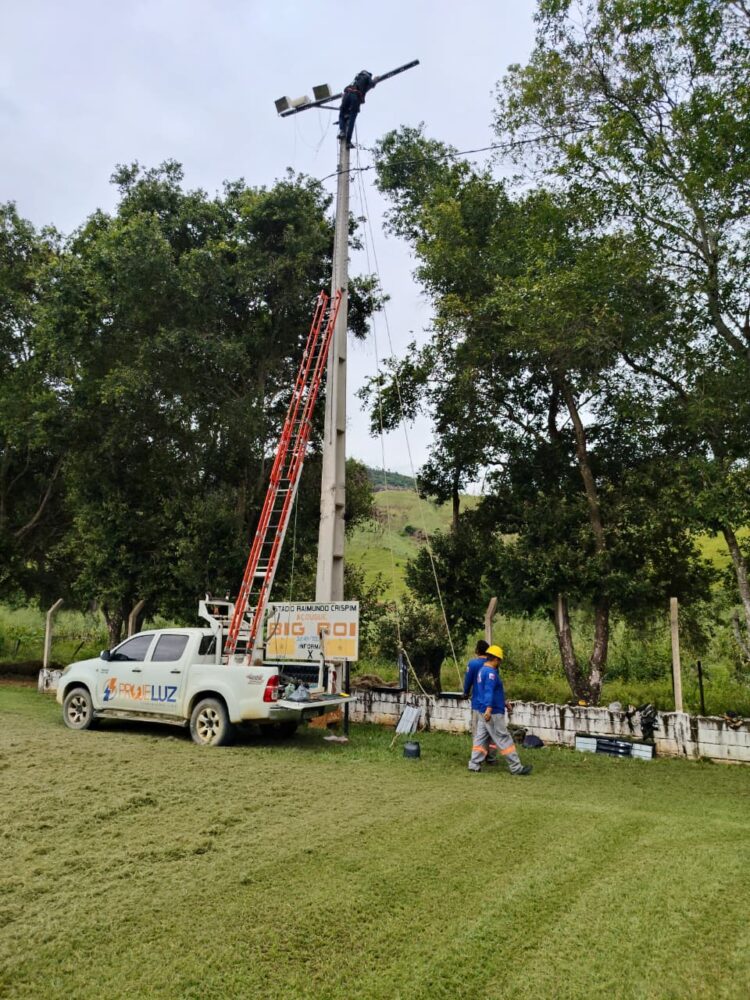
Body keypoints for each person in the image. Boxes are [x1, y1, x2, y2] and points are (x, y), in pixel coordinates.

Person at [468, 645, 532, 776]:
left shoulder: (482, 671)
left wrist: (503, 702)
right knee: (503, 738)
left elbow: (488, 692)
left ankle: (474, 764)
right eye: (500, 660)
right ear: (496, 659)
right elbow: (489, 692)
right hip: (492, 712)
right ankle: (516, 768)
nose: (500, 663)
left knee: (480, 738)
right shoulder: (491, 673)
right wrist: (489, 709)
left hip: (482, 709)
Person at [463, 640, 498, 764]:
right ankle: (491, 757)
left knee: (478, 733)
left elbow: (468, 681)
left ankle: (478, 757)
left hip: (478, 704)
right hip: (491, 705)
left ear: (477, 650)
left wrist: (465, 693)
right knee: (491, 732)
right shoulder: (493, 664)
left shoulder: (473, 664)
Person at [338, 71, 375, 148]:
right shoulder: (367, 77)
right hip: (355, 97)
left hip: (346, 95)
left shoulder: (356, 79)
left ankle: (342, 131)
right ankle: (348, 142)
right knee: (352, 120)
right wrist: (375, 80)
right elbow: (372, 84)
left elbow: (345, 89)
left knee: (341, 114)